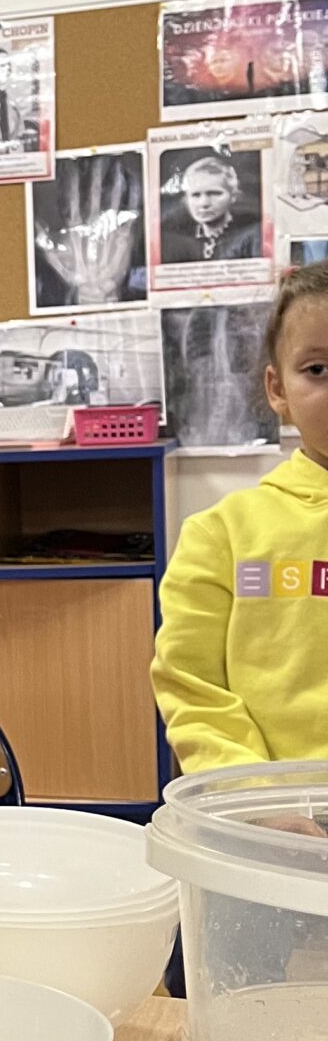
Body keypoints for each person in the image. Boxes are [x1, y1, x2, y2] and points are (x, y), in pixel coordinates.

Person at [154, 264, 328, 770]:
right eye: (318, 369)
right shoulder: (222, 536)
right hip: (264, 805)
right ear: (278, 390)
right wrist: (253, 797)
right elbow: (194, 690)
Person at [161, 151, 261, 266]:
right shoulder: (174, 240)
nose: (204, 203)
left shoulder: (252, 237)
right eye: (195, 195)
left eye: (214, 193)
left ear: (233, 196)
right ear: (186, 199)